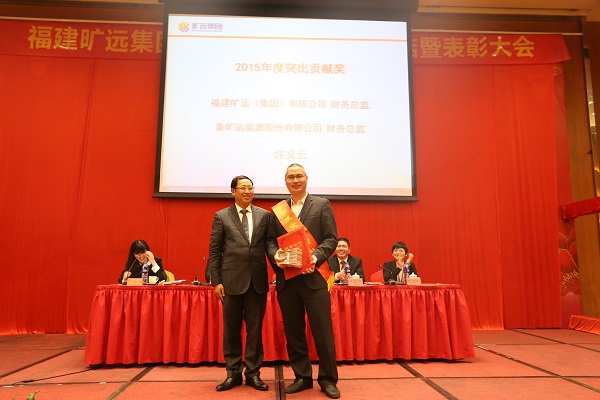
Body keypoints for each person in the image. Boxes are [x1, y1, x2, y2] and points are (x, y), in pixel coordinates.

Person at [267, 163, 340, 399]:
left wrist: (316, 257)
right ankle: (302, 377)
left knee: (323, 331)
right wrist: (276, 256)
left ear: (306, 178)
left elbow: (331, 238)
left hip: (314, 277)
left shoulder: (321, 204)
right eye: (291, 177)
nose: (295, 180)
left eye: (299, 176)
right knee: (294, 331)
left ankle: (328, 379)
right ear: (285, 181)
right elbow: (270, 242)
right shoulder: (278, 210)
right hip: (288, 280)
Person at [208, 175, 271, 392]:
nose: (247, 191)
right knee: (231, 330)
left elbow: (269, 246)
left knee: (255, 330)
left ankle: (253, 373)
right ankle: (233, 373)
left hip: (257, 282)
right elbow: (215, 251)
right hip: (231, 282)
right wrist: (216, 281)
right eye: (243, 188)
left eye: (250, 188)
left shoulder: (264, 215)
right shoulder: (222, 216)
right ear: (233, 191)